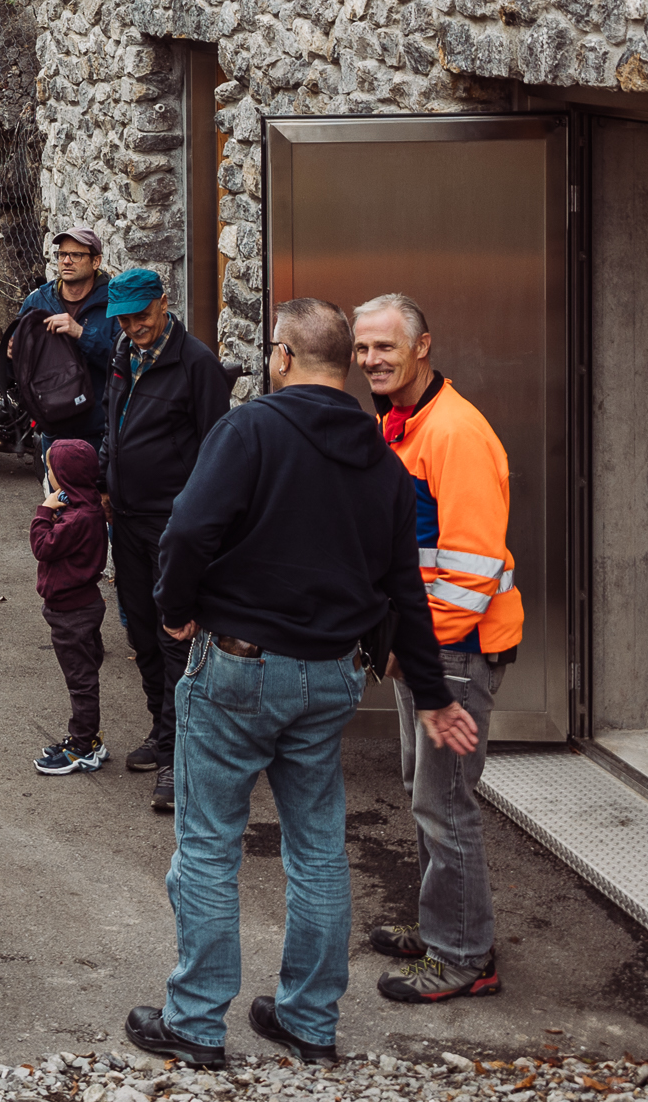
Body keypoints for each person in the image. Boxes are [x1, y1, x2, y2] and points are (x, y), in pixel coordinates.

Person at [123, 298, 474, 1070]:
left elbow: (186, 531)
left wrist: (174, 612)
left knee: (209, 847)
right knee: (317, 853)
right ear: (345, 363)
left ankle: (194, 1024)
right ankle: (309, 1021)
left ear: (282, 356)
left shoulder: (250, 430)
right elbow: (405, 590)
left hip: (239, 671)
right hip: (329, 681)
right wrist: (435, 692)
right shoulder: (383, 460)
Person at [353, 293, 523, 1005]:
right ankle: (441, 925)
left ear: (423, 347)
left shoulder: (453, 433)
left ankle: (463, 956)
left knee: (445, 804)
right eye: (362, 349)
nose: (371, 361)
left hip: (456, 654)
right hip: (428, 651)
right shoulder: (405, 425)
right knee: (427, 797)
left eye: (385, 348)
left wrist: (424, 662)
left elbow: (473, 568)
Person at [100, 266, 235, 814]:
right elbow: (112, 423)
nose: (135, 326)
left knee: (177, 633)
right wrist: (107, 476)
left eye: (142, 315)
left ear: (163, 304)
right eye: (126, 319)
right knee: (142, 632)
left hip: (171, 525)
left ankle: (177, 757)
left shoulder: (196, 363)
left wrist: (197, 519)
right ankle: (161, 727)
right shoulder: (121, 354)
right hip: (126, 520)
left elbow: (215, 450)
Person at [30, 436, 110, 776]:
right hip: (82, 606)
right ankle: (88, 738)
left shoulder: (76, 519)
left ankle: (84, 746)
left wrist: (45, 510)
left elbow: (42, 545)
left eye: (50, 469)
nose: (48, 474)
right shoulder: (87, 508)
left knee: (80, 681)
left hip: (71, 612)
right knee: (84, 674)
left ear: (65, 475)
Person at [16, 227, 119, 449]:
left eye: (76, 255)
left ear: (96, 261)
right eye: (62, 255)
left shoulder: (115, 304)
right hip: (53, 429)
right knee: (56, 486)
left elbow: (124, 362)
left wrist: (82, 334)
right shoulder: (38, 301)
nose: (66, 261)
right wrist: (14, 351)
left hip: (99, 432)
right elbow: (19, 354)